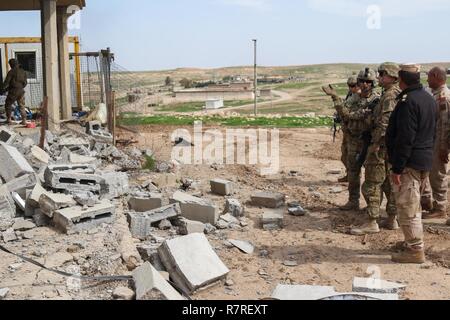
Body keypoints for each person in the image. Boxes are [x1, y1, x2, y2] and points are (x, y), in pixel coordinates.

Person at [386, 64, 437, 264]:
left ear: (402, 80)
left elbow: (405, 138)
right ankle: (411, 243)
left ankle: (415, 250)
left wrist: (397, 167)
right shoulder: (428, 98)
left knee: (408, 207)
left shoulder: (408, 102)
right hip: (424, 160)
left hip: (410, 163)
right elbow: (432, 132)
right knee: (413, 204)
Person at [351, 63, 401, 235]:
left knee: (371, 184)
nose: (378, 77)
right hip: (389, 147)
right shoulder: (394, 94)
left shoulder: (389, 96)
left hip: (380, 147)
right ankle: (391, 219)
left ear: (392, 77)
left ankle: (372, 221)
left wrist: (376, 145)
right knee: (388, 184)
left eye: (382, 74)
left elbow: (385, 124)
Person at [323, 68, 380, 211]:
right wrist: (335, 97)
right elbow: (344, 113)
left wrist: (348, 111)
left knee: (371, 176)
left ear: (373, 83)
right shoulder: (355, 97)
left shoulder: (377, 99)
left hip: (368, 141)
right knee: (353, 172)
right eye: (362, 81)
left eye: (368, 82)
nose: (365, 84)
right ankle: (353, 201)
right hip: (354, 139)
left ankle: (372, 207)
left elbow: (354, 115)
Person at [421, 67, 450, 220]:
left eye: (429, 77)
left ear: (437, 76)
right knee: (432, 173)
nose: (427, 80)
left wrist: (443, 148)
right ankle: (433, 204)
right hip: (434, 140)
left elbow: (444, 124)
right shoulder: (436, 94)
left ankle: (440, 207)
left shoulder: (444, 96)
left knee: (438, 175)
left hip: (440, 141)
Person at [338, 76, 361, 183]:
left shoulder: (360, 97)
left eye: (353, 86)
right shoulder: (351, 95)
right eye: (349, 86)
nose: (351, 88)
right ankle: (349, 175)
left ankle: (354, 178)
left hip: (355, 133)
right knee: (344, 155)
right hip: (347, 130)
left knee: (354, 157)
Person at [1, 59, 28, 125]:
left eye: (10, 64)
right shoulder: (23, 72)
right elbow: (25, 83)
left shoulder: (11, 72)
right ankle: (24, 120)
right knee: (21, 105)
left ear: (11, 64)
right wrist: (20, 88)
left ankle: (9, 120)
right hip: (21, 91)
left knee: (8, 104)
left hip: (13, 91)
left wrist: (2, 89)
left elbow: (6, 83)